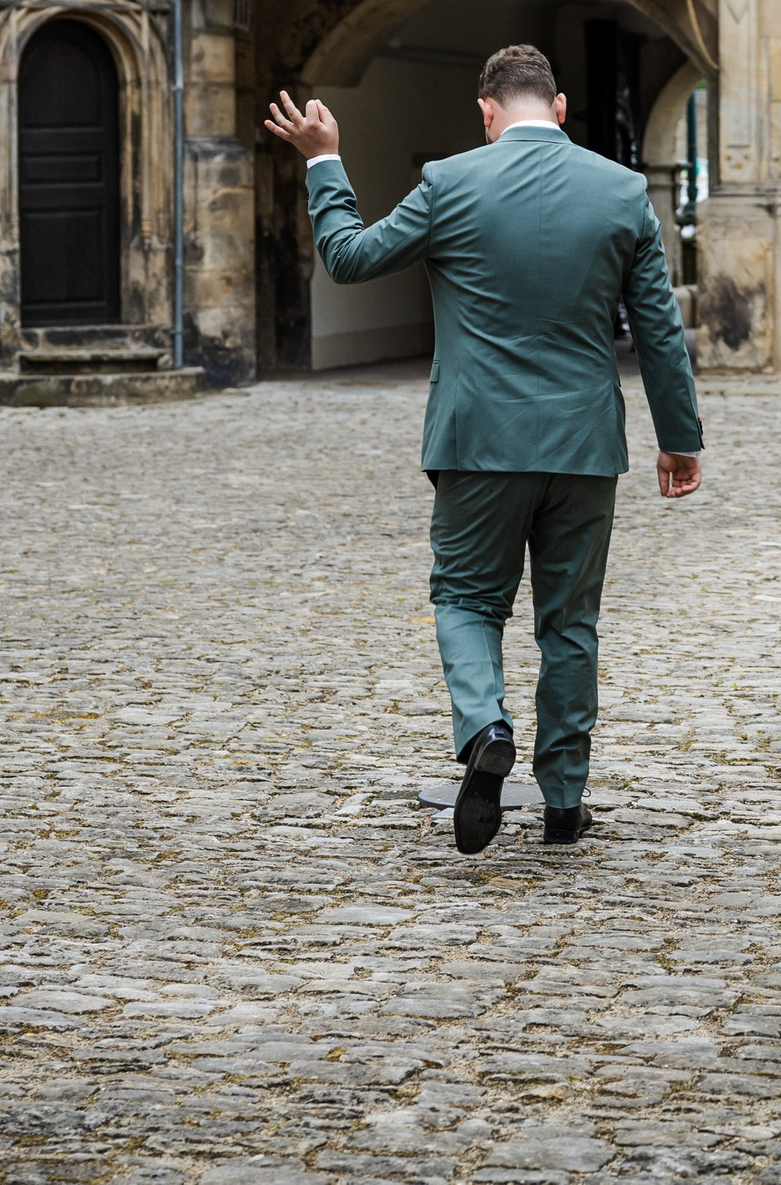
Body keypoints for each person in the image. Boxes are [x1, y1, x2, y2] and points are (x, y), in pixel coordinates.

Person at [263, 44, 705, 854]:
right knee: (570, 624)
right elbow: (659, 331)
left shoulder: (450, 181)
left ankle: (485, 728)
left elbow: (350, 258)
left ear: (487, 112)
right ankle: (565, 803)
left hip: (475, 441)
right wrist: (678, 439)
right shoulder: (622, 192)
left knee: (467, 599)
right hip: (582, 447)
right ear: (562, 108)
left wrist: (325, 160)